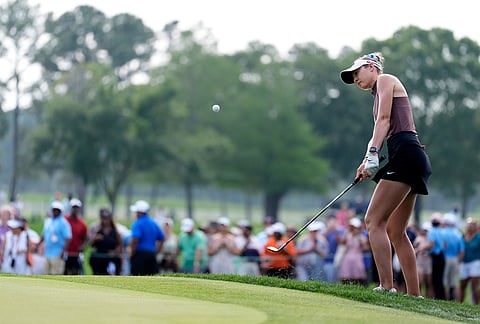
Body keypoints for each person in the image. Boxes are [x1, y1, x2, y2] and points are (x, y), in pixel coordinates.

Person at [340, 52, 432, 297]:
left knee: (373, 221)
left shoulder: (385, 79)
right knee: (394, 230)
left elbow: (384, 121)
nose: (355, 79)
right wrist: (366, 161)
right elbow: (379, 127)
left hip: (407, 153)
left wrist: (372, 153)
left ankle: (387, 287)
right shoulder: (377, 93)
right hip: (411, 156)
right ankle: (414, 296)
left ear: (371, 67)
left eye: (357, 73)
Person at [129, 200, 164, 275]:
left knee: (137, 278)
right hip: (152, 255)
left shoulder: (138, 223)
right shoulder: (153, 223)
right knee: (151, 278)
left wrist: (132, 253)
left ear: (140, 212)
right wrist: (157, 251)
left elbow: (135, 239)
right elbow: (162, 238)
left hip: (139, 255)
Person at [38, 201, 72, 274]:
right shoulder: (48, 221)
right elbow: (44, 234)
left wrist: (64, 251)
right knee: (46, 274)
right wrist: (38, 244)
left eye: (57, 210)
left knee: (56, 274)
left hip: (58, 253)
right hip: (47, 252)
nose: (55, 211)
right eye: (54, 210)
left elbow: (68, 238)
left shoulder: (63, 223)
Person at [89, 208, 123, 275]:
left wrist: (115, 252)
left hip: (111, 258)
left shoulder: (115, 232)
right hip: (99, 257)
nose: (105, 221)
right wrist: (95, 239)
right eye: (103, 218)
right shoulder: (97, 230)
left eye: (107, 219)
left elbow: (120, 245)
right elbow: (91, 244)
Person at [337, 218, 369, 285]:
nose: (353, 229)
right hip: (348, 258)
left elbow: (366, 248)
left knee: (358, 276)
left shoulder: (361, 237)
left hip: (357, 258)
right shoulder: (348, 235)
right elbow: (341, 242)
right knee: (346, 276)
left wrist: (361, 243)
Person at [441, 213, 464, 301]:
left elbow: (442, 247)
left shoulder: (442, 232)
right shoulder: (458, 234)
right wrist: (458, 261)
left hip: (444, 258)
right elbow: (461, 251)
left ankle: (446, 300)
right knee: (454, 282)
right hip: (455, 259)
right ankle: (456, 301)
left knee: (444, 281)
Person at [425, 213, 447, 300]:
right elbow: (445, 244)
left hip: (436, 256)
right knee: (440, 278)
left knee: (435, 278)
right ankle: (441, 297)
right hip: (441, 255)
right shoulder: (441, 231)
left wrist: (420, 249)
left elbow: (431, 244)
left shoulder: (432, 231)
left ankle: (438, 297)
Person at [459, 218, 480, 304]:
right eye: (469, 225)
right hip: (464, 262)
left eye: (472, 225)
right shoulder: (463, 236)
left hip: (475, 262)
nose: (470, 227)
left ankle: (476, 304)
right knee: (462, 284)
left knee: (474, 285)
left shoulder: (478, 237)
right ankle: (460, 303)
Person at [64, 198, 88, 275]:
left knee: (75, 272)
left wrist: (83, 247)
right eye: (73, 207)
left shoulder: (82, 224)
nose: (75, 209)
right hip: (65, 253)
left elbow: (86, 239)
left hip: (76, 254)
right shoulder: (64, 220)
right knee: (64, 272)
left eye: (76, 208)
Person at [413, 221, 434, 298]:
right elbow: (414, 248)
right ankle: (419, 295)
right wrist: (419, 249)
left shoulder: (431, 239)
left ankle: (428, 297)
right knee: (420, 280)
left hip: (428, 261)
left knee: (428, 282)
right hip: (420, 261)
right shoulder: (419, 238)